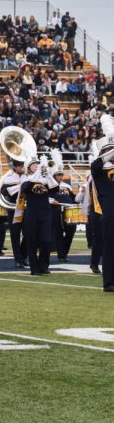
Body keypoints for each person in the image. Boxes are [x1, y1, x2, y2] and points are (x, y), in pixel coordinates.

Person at [18, 154, 56, 276]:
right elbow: (25, 188)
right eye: (33, 165)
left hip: (45, 211)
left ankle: (44, 265)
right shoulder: (26, 179)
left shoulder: (45, 180)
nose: (36, 166)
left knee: (46, 240)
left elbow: (55, 188)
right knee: (32, 240)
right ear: (28, 168)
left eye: (37, 165)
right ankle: (34, 268)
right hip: (32, 212)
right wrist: (37, 173)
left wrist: (48, 173)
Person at [88, 115, 114, 292]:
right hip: (110, 215)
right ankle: (109, 282)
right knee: (110, 248)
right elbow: (96, 166)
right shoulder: (98, 169)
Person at [48, 154, 75, 261]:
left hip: (68, 211)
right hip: (55, 211)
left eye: (61, 174)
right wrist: (51, 201)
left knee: (71, 230)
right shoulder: (49, 185)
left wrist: (83, 192)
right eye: (58, 175)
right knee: (57, 233)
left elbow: (75, 199)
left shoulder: (67, 186)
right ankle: (62, 255)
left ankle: (63, 251)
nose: (60, 177)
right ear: (54, 175)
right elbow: (44, 197)